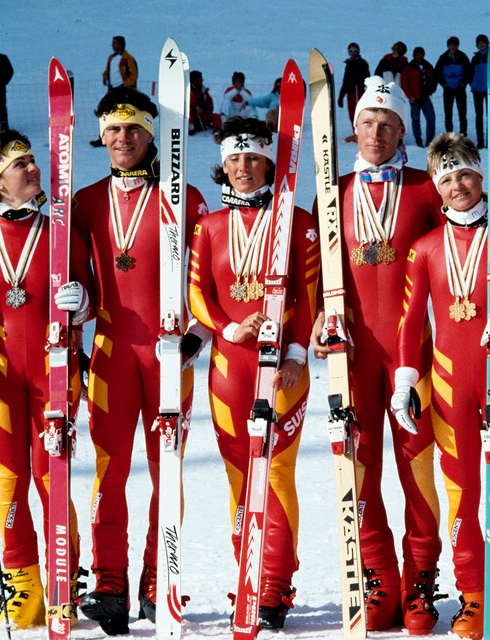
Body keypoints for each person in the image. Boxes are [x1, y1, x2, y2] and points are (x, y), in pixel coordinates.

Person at [73, 87, 210, 635]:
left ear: (154, 134)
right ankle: (110, 581)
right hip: (109, 351)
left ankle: (159, 577)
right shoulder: (83, 201)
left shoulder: (187, 196)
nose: (123, 139)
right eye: (113, 130)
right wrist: (78, 303)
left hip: (167, 353)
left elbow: (210, 277)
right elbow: (73, 280)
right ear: (101, 136)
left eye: (133, 129)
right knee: (108, 469)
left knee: (166, 470)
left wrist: (198, 334)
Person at [393, 132, 490, 640]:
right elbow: (412, 321)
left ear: (483, 177)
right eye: (447, 177)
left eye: (465, 174)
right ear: (437, 187)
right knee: (462, 493)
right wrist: (405, 380)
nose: (458, 185)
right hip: (451, 386)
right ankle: (474, 596)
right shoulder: (425, 248)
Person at [310, 76, 444, 634]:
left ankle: (419, 580)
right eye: (367, 123)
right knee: (359, 470)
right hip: (354, 352)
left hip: (415, 354)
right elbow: (316, 273)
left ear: (402, 131)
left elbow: (462, 250)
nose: (376, 133)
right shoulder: (331, 190)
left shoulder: (426, 188)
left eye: (388, 125)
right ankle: (378, 579)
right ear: (352, 129)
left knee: (419, 471)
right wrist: (317, 317)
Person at [0, 129, 93, 629]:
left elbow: (92, 298)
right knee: (11, 477)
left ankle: (63, 578)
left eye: (33, 160)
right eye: (21, 164)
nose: (34, 169)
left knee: (53, 475)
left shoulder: (62, 231)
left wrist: (82, 303)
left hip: (55, 370)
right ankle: (23, 582)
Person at [186, 116, 319, 630]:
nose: (243, 168)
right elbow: (198, 292)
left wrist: (297, 354)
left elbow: (309, 298)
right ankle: (249, 572)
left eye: (253, 158)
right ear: (224, 165)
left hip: (282, 368)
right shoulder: (209, 227)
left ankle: (274, 584)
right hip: (229, 367)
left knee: (277, 472)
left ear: (270, 161)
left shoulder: (299, 222)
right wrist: (226, 328)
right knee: (240, 476)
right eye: (234, 159)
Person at [90, 36, 138, 147]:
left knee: (126, 114)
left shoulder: (128, 58)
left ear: (120, 44)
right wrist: (105, 76)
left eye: (115, 43)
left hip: (123, 90)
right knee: (106, 112)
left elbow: (133, 75)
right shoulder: (111, 58)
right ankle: (103, 137)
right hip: (112, 89)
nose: (112, 45)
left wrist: (126, 86)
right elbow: (108, 70)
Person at [435, 36, 472, 138]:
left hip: (460, 89)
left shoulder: (463, 57)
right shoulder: (443, 58)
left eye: (455, 45)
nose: (453, 47)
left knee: (462, 113)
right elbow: (437, 73)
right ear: (448, 46)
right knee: (448, 114)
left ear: (458, 45)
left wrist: (463, 84)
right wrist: (444, 84)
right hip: (448, 90)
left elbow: (469, 72)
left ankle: (463, 134)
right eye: (451, 45)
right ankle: (450, 134)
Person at [401, 47, 437, 147]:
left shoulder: (428, 66)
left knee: (431, 118)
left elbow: (434, 78)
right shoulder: (409, 67)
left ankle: (430, 139)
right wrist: (410, 96)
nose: (419, 56)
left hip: (425, 96)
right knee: (416, 120)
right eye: (417, 54)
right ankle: (418, 140)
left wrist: (432, 89)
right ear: (414, 55)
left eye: (421, 54)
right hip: (414, 98)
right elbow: (404, 82)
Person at [338, 42, 371, 142]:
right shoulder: (348, 63)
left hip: (358, 91)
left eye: (355, 51)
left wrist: (363, 84)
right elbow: (345, 80)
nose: (353, 53)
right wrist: (341, 96)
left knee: (359, 113)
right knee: (351, 114)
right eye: (351, 51)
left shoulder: (362, 63)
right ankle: (356, 133)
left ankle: (362, 134)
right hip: (350, 92)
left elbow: (367, 77)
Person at [469, 35, 490, 149]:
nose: (481, 45)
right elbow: (470, 72)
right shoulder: (475, 58)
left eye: (483, 42)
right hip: (477, 90)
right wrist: (472, 84)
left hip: (489, 90)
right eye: (479, 43)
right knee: (479, 116)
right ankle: (480, 141)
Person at [189, 70, 218, 135]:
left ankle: (217, 128)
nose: (200, 82)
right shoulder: (189, 92)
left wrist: (207, 111)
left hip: (203, 115)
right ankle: (191, 127)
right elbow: (188, 101)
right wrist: (196, 106)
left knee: (216, 116)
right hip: (193, 118)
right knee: (190, 109)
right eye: (198, 81)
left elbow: (210, 102)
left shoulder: (203, 91)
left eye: (200, 81)